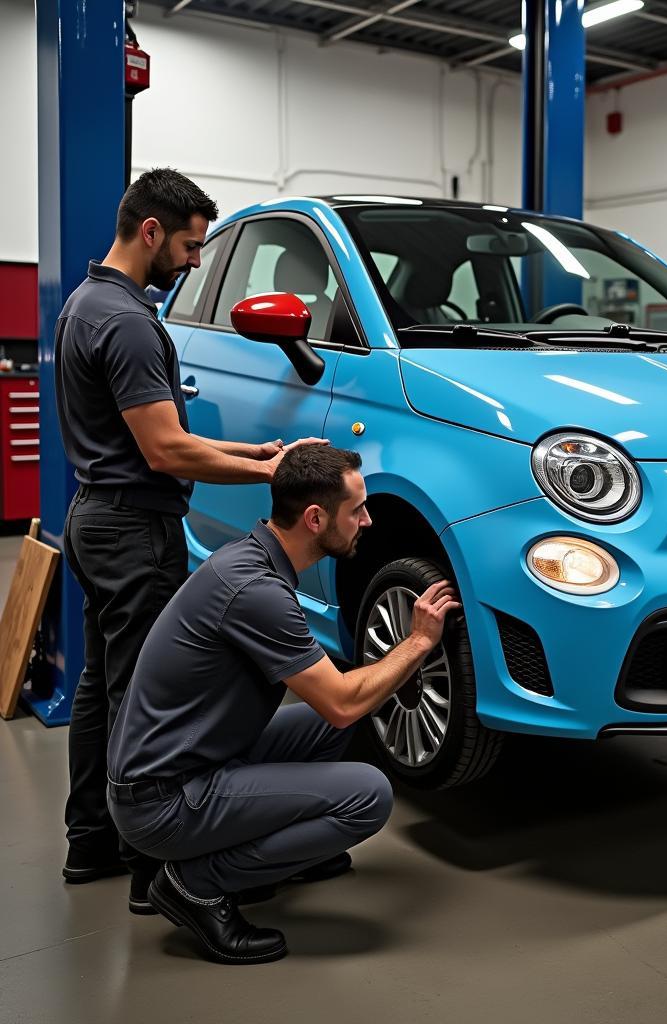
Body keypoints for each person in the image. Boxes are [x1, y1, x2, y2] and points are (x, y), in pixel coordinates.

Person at [56, 168, 323, 910]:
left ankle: (90, 840)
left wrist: (260, 455)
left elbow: (162, 440)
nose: (197, 260)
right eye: (190, 245)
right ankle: (152, 870)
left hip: (96, 517)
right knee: (144, 698)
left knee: (101, 688)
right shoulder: (131, 323)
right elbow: (167, 451)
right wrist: (267, 477)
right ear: (151, 232)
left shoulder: (86, 305)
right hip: (134, 528)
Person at [106, 445, 459, 964]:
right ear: (315, 519)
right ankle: (195, 884)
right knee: (368, 794)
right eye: (356, 509)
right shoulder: (255, 591)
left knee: (334, 726)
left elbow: (335, 709)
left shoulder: (253, 558)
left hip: (190, 760)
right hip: (163, 801)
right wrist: (418, 642)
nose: (368, 519)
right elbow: (341, 701)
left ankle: (280, 852)